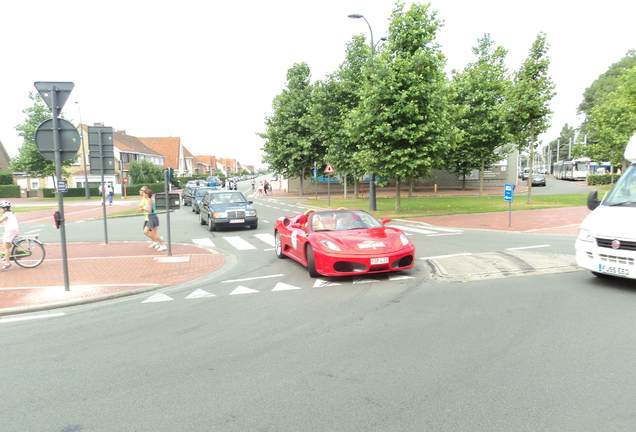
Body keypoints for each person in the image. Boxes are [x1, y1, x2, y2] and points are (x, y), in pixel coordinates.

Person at [137, 187, 167, 251]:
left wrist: (143, 208)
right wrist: (142, 209)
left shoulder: (150, 201)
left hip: (152, 217)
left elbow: (150, 210)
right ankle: (158, 242)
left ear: (147, 194)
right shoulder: (148, 201)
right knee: (145, 231)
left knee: (154, 233)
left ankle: (162, 245)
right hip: (150, 217)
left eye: (144, 193)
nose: (143, 194)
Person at [0, 201, 19, 270]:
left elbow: (0, 221)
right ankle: (15, 250)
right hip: (11, 230)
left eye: (1, 208)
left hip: (11, 231)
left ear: (5, 208)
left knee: (5, 246)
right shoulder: (10, 213)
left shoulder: (7, 214)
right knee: (4, 242)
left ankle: (7, 263)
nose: (0, 209)